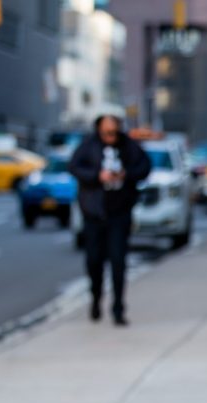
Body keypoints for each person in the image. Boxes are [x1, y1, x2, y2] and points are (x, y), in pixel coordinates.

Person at [69, 115, 151, 326]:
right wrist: (98, 175)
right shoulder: (88, 145)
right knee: (94, 261)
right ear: (99, 131)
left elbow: (144, 167)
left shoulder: (128, 146)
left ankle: (118, 308)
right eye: (106, 133)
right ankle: (96, 298)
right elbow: (75, 167)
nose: (110, 137)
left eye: (114, 132)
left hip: (119, 213)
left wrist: (126, 174)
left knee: (118, 261)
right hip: (94, 213)